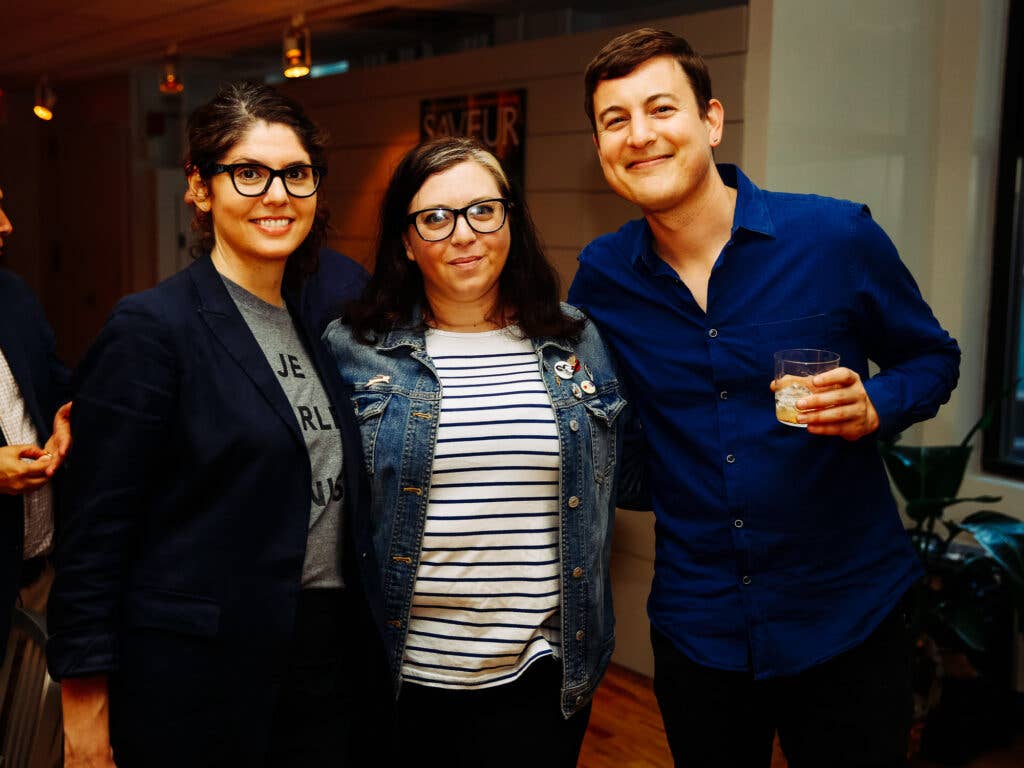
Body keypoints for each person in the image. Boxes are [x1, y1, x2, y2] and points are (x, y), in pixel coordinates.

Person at [568, 28, 961, 768]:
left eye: (660, 108)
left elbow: (932, 356)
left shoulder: (834, 236)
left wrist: (877, 403)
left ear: (711, 120)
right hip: (700, 626)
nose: (640, 135)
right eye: (615, 120)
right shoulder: (602, 279)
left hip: (849, 617)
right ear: (598, 145)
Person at [46, 82, 370, 767]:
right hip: (196, 680)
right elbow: (92, 539)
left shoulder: (321, 318)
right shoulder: (152, 329)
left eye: (296, 173)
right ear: (200, 187)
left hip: (321, 659)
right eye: (248, 173)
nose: (277, 193)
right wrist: (84, 717)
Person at [323, 136, 626, 766]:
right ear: (407, 242)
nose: (463, 234)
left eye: (482, 211)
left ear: (509, 219)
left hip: (542, 677)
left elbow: (624, 472)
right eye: (434, 218)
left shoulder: (575, 340)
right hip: (401, 677)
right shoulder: (354, 349)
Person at [0, 184, 72, 661]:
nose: (6, 224)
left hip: (42, 577)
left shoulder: (13, 295)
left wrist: (70, 417)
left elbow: (56, 384)